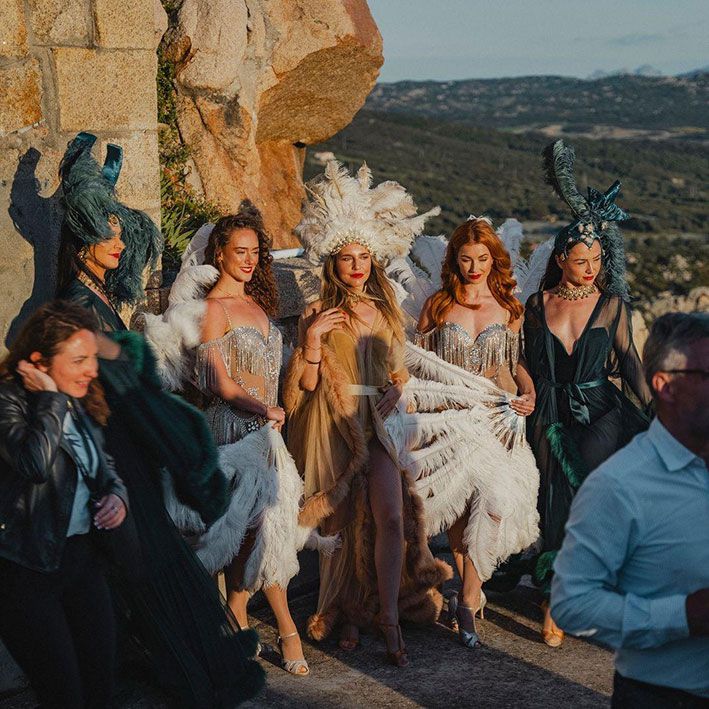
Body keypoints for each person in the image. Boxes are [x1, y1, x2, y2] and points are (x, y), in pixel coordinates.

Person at [55, 132, 264, 705]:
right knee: (146, 572)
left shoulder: (95, 299)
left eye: (121, 231)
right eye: (107, 232)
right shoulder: (77, 304)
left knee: (152, 570)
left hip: (125, 453)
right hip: (114, 456)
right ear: (83, 239)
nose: (118, 242)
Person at [284, 162, 451, 667]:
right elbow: (305, 386)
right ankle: (349, 613)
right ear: (333, 264)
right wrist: (314, 341)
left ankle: (390, 616)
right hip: (335, 424)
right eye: (347, 258)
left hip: (377, 425)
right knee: (343, 522)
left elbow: (399, 374)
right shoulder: (316, 313)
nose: (356, 266)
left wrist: (396, 392)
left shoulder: (386, 312)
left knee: (391, 517)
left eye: (363, 257)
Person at [144, 204, 322, 677]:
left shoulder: (259, 307)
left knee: (269, 527)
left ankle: (237, 614)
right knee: (250, 524)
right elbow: (217, 382)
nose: (248, 260)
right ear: (218, 255)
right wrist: (263, 409)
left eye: (255, 252)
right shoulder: (213, 310)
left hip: (268, 433)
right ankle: (282, 627)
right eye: (239, 251)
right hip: (231, 427)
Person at [524, 140, 652, 647]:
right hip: (548, 409)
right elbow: (523, 360)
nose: (591, 268)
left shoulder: (612, 305)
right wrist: (523, 389)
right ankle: (552, 596)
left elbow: (631, 363)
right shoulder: (537, 304)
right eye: (581, 260)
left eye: (597, 259)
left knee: (586, 497)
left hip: (600, 410)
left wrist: (656, 412)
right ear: (561, 259)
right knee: (551, 499)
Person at [552, 312, 709, 706]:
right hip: (665, 697)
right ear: (666, 386)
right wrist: (682, 616)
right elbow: (572, 604)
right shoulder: (619, 486)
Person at [415, 215, 539, 648]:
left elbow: (515, 363)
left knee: (495, 505)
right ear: (455, 260)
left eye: (482, 259)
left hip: (495, 418)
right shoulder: (437, 306)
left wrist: (529, 390)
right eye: (466, 259)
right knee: (459, 512)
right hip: (449, 419)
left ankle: (467, 600)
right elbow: (418, 365)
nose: (474, 267)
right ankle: (469, 596)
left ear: (493, 260)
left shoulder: (509, 307)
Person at [0, 301, 128, 709]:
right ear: (39, 362)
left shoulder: (78, 397)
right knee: (63, 696)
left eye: (92, 358)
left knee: (101, 687)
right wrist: (50, 400)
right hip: (27, 569)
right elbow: (34, 465)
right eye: (78, 360)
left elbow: (103, 466)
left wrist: (118, 497)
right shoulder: (9, 400)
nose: (91, 370)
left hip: (82, 561)